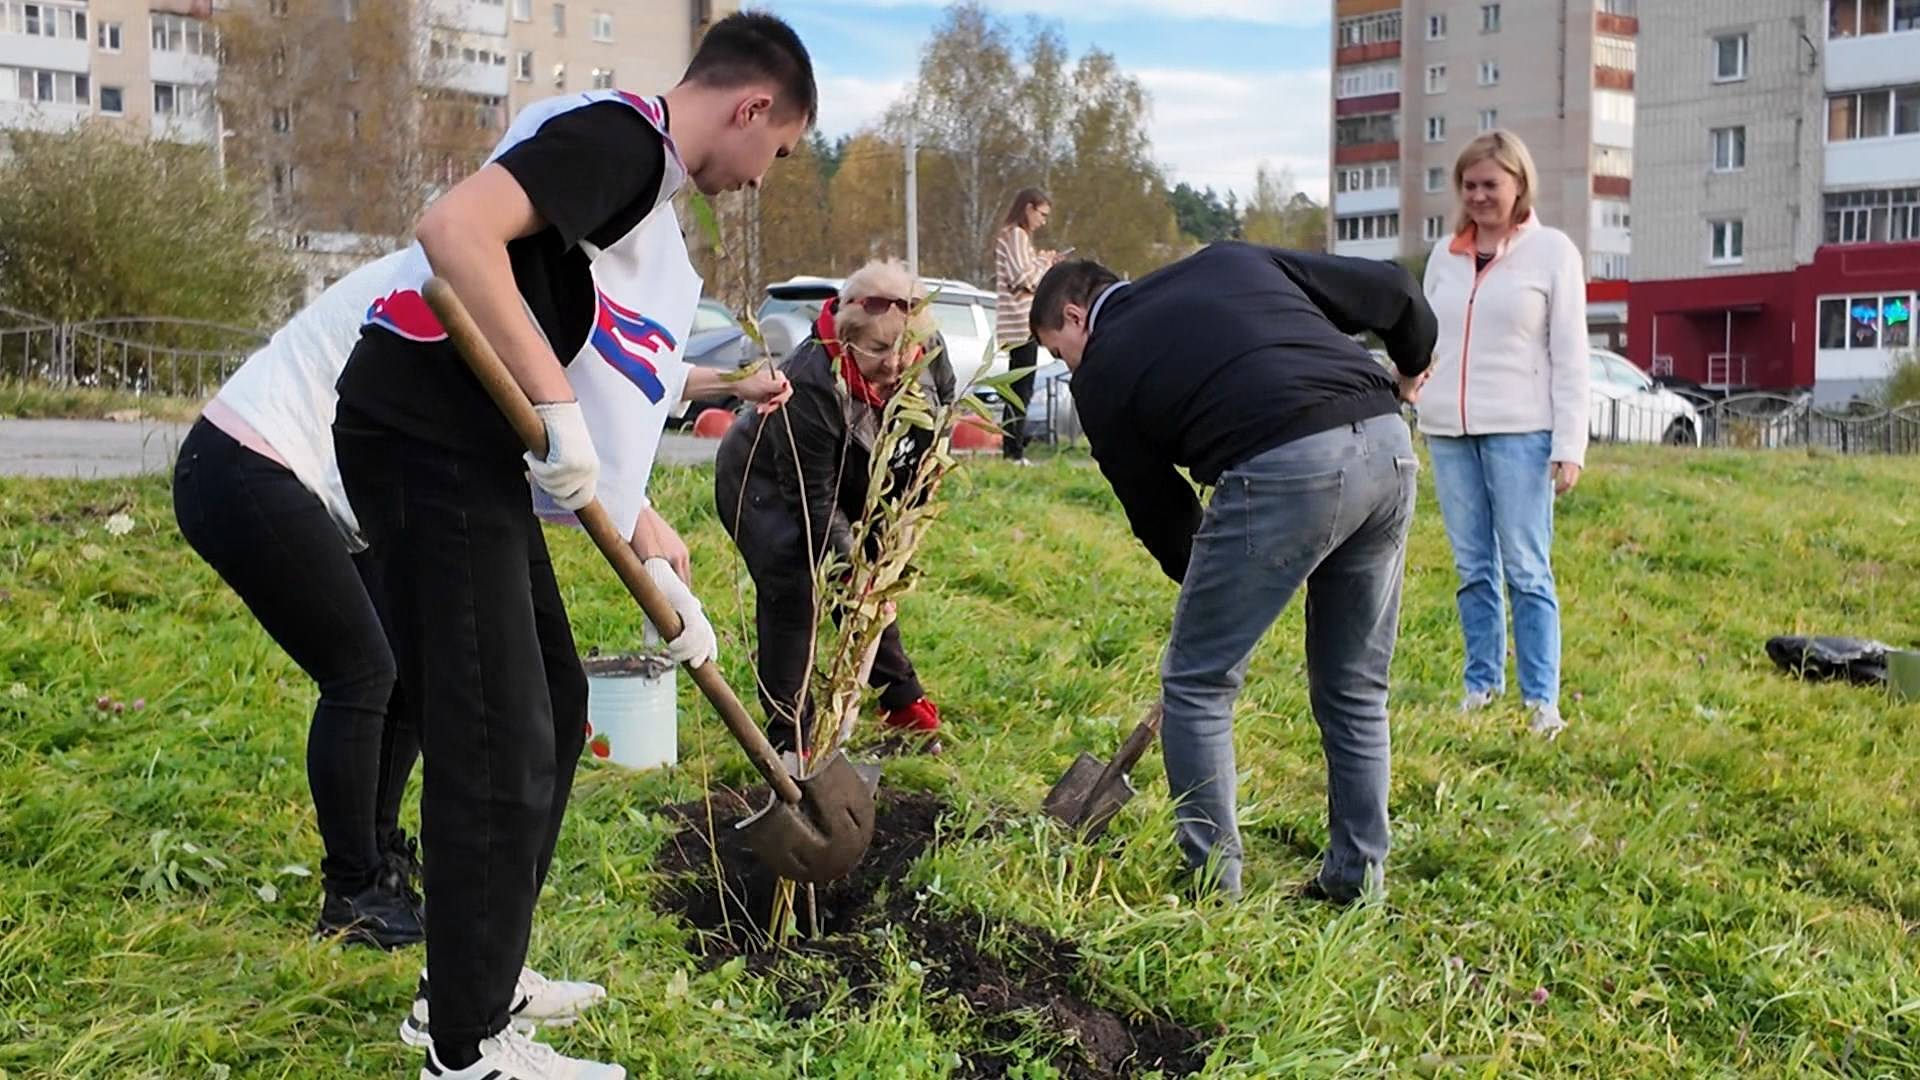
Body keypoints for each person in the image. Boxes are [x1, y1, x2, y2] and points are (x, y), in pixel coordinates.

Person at [332, 13, 815, 1080]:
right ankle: (465, 1048)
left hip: (463, 451)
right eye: (775, 154)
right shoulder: (625, 142)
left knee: (553, 704)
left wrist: (644, 547)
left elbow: (616, 373)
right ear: (752, 107)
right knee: (496, 740)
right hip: (422, 438)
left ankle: (477, 976)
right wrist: (550, 410)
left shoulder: (633, 189)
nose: (761, 181)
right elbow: (452, 227)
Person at [1030, 246, 1436, 903]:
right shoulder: (1231, 262)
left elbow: (1159, 512)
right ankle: (1356, 885)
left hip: (1285, 468)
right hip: (1388, 451)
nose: (1064, 366)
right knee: (1356, 688)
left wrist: (1225, 598)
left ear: (1075, 317)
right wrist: (1412, 367)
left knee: (1196, 683)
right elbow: (1392, 288)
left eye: (1057, 351)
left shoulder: (1100, 372)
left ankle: (1212, 894)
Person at [714, 260, 953, 758]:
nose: (893, 365)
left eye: (902, 351)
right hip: (767, 487)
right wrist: (853, 574)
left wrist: (917, 490)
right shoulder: (810, 383)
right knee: (796, 593)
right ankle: (789, 737)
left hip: (853, 479)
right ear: (845, 339)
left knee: (873, 584)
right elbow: (814, 502)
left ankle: (900, 699)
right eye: (878, 351)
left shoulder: (923, 338)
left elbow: (943, 403)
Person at [1417, 130, 1590, 740]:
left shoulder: (1552, 253)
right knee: (1472, 568)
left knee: (1526, 567)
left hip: (1522, 432)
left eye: (1491, 184)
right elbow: (1425, 338)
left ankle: (1542, 699)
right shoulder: (1445, 255)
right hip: (1449, 430)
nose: (1479, 196)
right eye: (1469, 185)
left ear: (1519, 184)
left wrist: (1570, 445)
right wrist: (1409, 389)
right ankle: (1481, 685)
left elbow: (1571, 353)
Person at [992, 187, 1059, 463]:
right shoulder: (1017, 235)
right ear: (1028, 208)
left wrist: (1039, 261)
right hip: (1021, 322)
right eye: (1041, 214)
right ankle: (1013, 452)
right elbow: (1023, 278)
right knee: (1021, 389)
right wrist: (1045, 263)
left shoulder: (1008, 236)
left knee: (1016, 388)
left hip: (1013, 322)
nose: (1043, 221)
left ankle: (1012, 450)